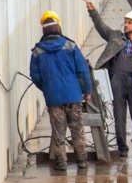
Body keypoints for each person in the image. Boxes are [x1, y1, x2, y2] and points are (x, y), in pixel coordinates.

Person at [84, 0, 132, 158]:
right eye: (125, 22)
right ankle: (122, 147)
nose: (126, 25)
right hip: (117, 81)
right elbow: (101, 28)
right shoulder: (115, 36)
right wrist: (93, 11)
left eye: (130, 23)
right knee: (119, 114)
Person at [28, 11, 94, 170]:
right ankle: (82, 160)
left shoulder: (37, 51)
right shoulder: (70, 46)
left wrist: (47, 88)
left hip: (54, 98)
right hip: (73, 95)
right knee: (77, 129)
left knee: (59, 132)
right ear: (58, 26)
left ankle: (61, 162)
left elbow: (35, 75)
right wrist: (87, 90)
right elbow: (83, 70)